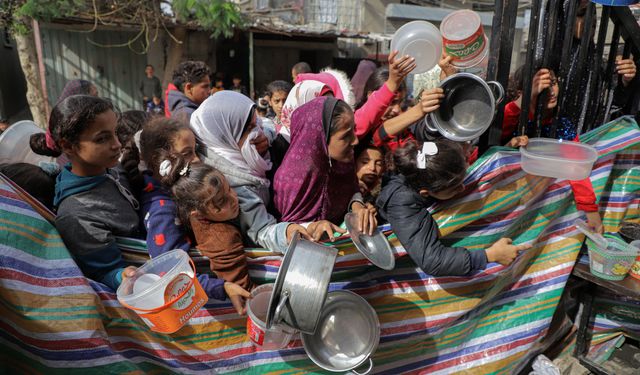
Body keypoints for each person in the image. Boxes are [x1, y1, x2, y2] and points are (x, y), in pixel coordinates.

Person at [29, 95, 140, 290]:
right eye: (102, 138)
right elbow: (103, 273)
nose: (116, 144)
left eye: (115, 133)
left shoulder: (112, 169)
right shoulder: (76, 216)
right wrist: (121, 276)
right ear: (67, 146)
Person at [377, 140, 531, 276]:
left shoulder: (427, 164)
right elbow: (431, 260)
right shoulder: (401, 203)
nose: (463, 189)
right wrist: (489, 255)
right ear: (426, 193)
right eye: (454, 188)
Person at [190, 91, 317, 251]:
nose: (258, 132)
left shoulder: (236, 146)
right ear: (227, 135)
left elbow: (266, 123)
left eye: (255, 124)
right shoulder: (229, 184)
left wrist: (268, 136)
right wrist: (287, 232)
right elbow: (261, 230)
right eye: (250, 128)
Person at [273, 96, 377, 236]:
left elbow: (352, 190)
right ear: (320, 138)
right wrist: (313, 227)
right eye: (346, 136)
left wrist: (357, 206)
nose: (355, 141)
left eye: (354, 130)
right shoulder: (291, 178)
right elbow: (287, 230)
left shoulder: (343, 162)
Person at [159, 156, 254, 291]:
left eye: (230, 188)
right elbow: (242, 289)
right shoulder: (224, 240)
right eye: (221, 201)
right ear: (197, 214)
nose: (233, 198)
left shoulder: (196, 209)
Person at [354, 51, 415, 141]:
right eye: (392, 102)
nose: (397, 110)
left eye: (400, 102)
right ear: (371, 96)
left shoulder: (403, 130)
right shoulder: (357, 131)